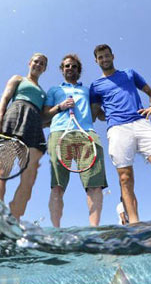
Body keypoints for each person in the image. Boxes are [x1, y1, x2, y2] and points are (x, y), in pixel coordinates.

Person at [89, 44, 151, 224]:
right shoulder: (95, 86)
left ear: (113, 56)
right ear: (96, 61)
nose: (104, 59)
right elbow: (94, 115)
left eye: (107, 56)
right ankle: (135, 225)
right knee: (125, 178)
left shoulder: (129, 73)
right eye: (101, 57)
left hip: (141, 122)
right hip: (117, 129)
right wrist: (101, 111)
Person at [43, 54, 108, 227]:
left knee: (94, 184)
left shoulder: (88, 90)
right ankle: (56, 229)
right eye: (66, 66)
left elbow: (100, 114)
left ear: (79, 70)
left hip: (86, 133)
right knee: (57, 185)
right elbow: (44, 116)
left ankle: (94, 228)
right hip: (59, 133)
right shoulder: (53, 90)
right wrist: (60, 107)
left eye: (73, 66)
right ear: (62, 69)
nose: (70, 69)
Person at [0, 53, 48, 220]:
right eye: (36, 61)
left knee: (30, 177)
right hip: (14, 116)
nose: (38, 64)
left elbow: (44, 119)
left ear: (44, 69)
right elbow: (5, 98)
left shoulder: (44, 94)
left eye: (42, 63)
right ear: (29, 63)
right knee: (3, 169)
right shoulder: (18, 79)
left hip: (34, 124)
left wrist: (59, 110)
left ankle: (15, 217)